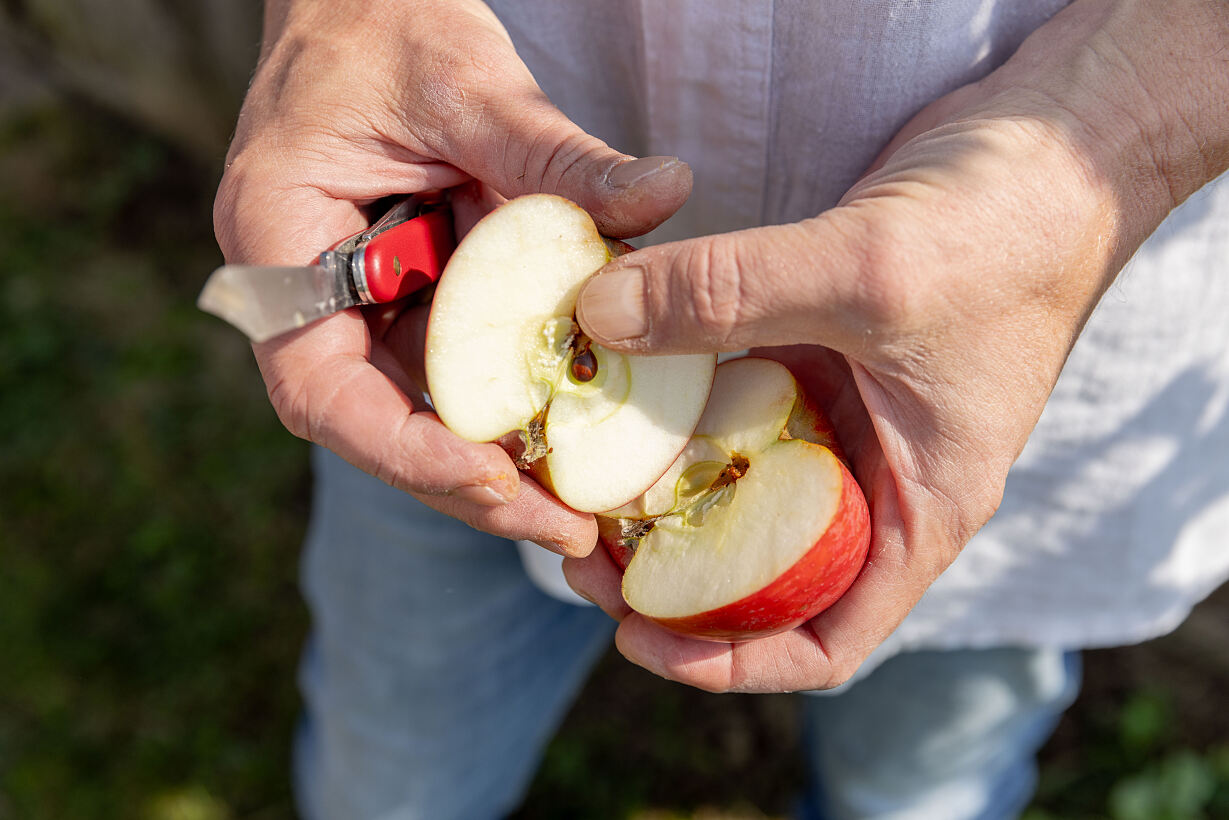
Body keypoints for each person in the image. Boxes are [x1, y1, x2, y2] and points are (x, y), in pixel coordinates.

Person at [213, 1, 1229, 817]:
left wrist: (1123, 125)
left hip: (1001, 359)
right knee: (391, 771)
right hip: (449, 282)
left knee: (919, 786)